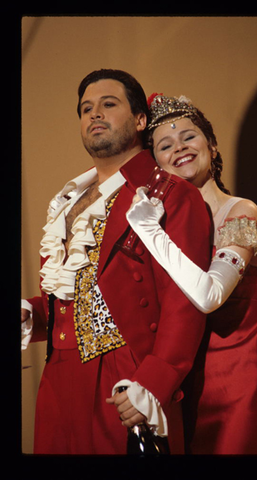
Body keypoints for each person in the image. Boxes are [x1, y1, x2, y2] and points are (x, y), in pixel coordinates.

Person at [21, 72, 213, 454]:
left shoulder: (169, 194)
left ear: (140, 120)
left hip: (126, 379)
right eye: (86, 109)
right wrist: (33, 313)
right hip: (58, 381)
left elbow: (183, 302)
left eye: (109, 104)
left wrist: (154, 382)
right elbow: (80, 294)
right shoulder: (68, 201)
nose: (95, 115)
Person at [126, 93, 257, 454]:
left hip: (243, 380)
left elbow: (208, 295)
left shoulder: (240, 211)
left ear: (212, 147)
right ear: (157, 165)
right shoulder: (168, 227)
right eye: (165, 145)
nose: (179, 147)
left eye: (189, 137)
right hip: (187, 382)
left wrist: (150, 233)